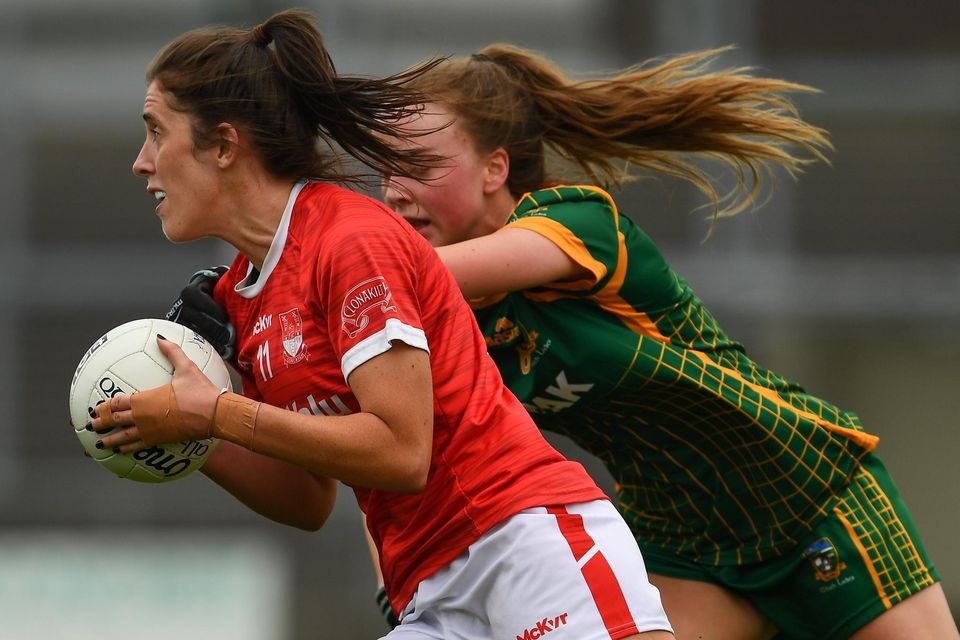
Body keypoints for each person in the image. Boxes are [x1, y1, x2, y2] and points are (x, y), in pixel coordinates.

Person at [88, 10, 675, 640]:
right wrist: (188, 433)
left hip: (522, 540)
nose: (141, 162)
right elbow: (307, 501)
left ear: (226, 145)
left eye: (156, 131)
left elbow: (401, 452)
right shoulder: (241, 293)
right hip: (428, 587)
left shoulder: (349, 239)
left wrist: (216, 415)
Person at [368, 46, 958, 640]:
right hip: (680, 539)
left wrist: (327, 271)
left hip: (806, 495)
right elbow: (391, 452)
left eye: (418, 165)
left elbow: (412, 275)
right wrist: (399, 583)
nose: (395, 192)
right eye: (384, 170)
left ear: (495, 169)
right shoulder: (438, 320)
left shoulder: (575, 221)